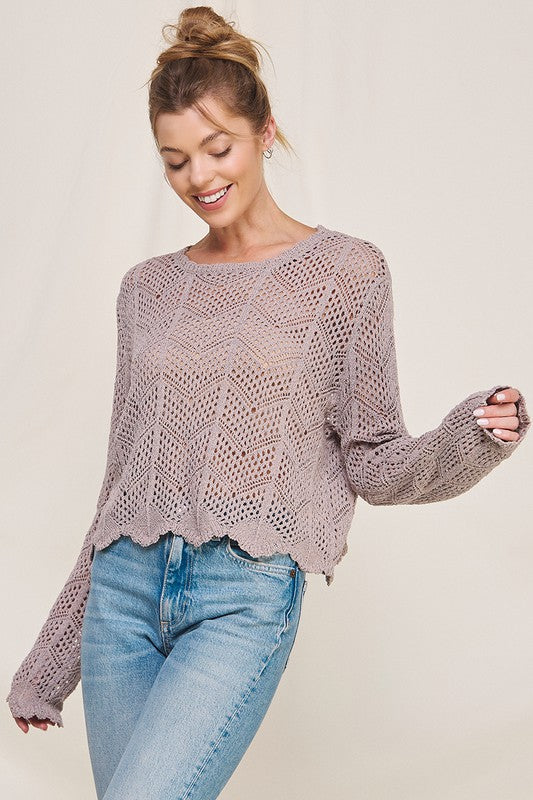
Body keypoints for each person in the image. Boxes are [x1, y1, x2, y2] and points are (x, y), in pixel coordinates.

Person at [6, 5, 530, 799]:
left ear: (264, 132)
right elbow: (119, 487)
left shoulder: (344, 274)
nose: (199, 178)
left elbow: (374, 461)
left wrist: (472, 436)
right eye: (175, 160)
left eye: (217, 148)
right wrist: (50, 663)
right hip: (119, 601)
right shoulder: (145, 290)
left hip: (240, 598)